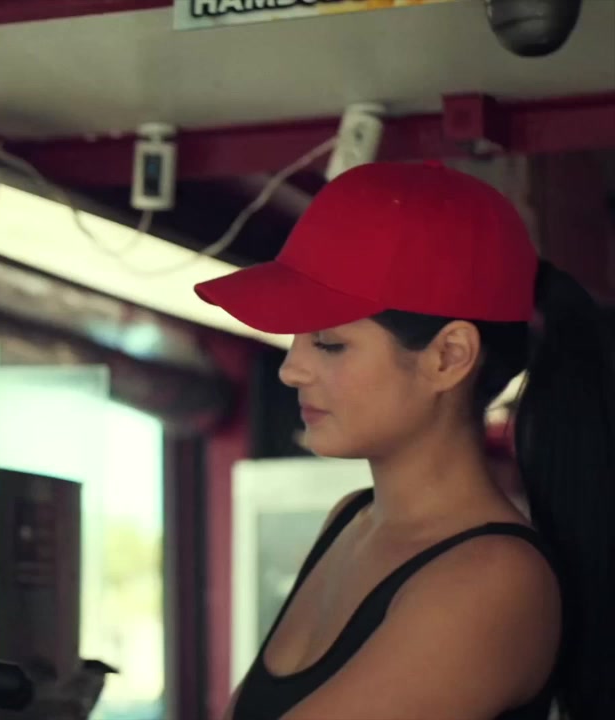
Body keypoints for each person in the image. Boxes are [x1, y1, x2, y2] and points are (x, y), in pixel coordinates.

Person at [194, 162, 613, 719]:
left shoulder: (491, 579)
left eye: (328, 343)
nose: (291, 370)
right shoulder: (350, 519)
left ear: (449, 357)